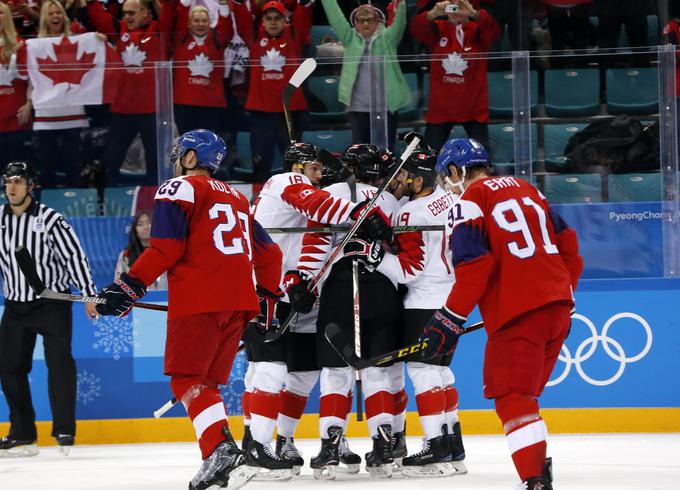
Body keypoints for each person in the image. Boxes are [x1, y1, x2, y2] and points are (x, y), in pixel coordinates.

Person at [94, 128, 283, 490]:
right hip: (239, 304)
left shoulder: (177, 188)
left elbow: (166, 249)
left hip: (200, 300)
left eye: (181, 153)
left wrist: (128, 285)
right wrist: (267, 302)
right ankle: (221, 456)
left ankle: (219, 450)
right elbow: (270, 254)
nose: (177, 160)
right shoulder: (239, 199)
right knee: (205, 383)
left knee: (186, 380)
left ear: (192, 157)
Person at [421, 138, 584, 490]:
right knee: (525, 397)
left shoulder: (469, 202)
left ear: (455, 171)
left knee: (512, 398)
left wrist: (448, 318)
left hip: (518, 315)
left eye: (444, 177)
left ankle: (534, 481)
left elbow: (476, 267)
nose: (446, 185)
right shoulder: (528, 190)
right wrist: (562, 294)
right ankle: (539, 471)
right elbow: (569, 244)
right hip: (558, 311)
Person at [241, 142, 389, 478]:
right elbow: (314, 202)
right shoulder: (284, 182)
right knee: (267, 372)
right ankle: (255, 447)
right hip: (267, 293)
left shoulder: (302, 191)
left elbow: (314, 234)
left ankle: (283, 443)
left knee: (304, 375)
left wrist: (303, 279)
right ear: (298, 166)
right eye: (316, 169)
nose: (321, 176)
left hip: (298, 291)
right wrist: (359, 213)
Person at [291, 144, 401, 479]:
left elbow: (314, 245)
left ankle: (329, 448)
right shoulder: (392, 201)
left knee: (335, 372)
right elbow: (398, 246)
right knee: (377, 371)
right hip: (383, 288)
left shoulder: (329, 193)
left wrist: (303, 283)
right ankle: (384, 446)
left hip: (339, 288)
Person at [360, 147, 467, 477]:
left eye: (406, 176)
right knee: (441, 373)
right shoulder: (448, 199)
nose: (401, 180)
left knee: (423, 373)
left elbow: (408, 271)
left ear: (419, 180)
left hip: (423, 301)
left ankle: (434, 447)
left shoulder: (411, 214)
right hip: (451, 298)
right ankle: (452, 448)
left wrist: (375, 255)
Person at [0, 161, 98, 458]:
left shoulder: (51, 219)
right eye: (7, 181)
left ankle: (64, 429)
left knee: (59, 365)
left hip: (52, 303)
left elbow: (75, 257)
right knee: (8, 368)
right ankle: (23, 434)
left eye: (18, 181)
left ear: (31, 185)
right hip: (15, 306)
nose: (12, 187)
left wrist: (89, 295)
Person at [84, 0, 173, 185]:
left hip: (151, 108)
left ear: (145, 12)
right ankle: (109, 201)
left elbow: (170, 11)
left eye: (131, 13)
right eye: (124, 13)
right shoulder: (119, 28)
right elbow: (99, 16)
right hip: (123, 109)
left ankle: (154, 203)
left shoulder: (158, 29)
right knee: (112, 159)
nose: (127, 17)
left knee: (154, 162)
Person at [232, 0, 313, 182]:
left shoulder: (294, 35)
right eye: (268, 18)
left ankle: (296, 202)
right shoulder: (253, 35)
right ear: (262, 21)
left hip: (289, 113)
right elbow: (240, 15)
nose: (273, 22)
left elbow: (304, 13)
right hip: (261, 113)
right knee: (260, 164)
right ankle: (261, 204)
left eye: (278, 18)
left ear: (286, 20)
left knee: (294, 165)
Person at [410, 0, 500, 152]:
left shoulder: (478, 30)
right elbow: (416, 29)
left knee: (481, 159)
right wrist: (432, 14)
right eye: (453, 7)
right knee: (428, 158)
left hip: (473, 107)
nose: (457, 11)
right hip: (441, 109)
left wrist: (474, 14)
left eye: (462, 7)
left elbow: (494, 32)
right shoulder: (437, 28)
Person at [320, 0, 411, 149]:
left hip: (385, 107)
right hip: (357, 107)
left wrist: (400, 4)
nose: (365, 24)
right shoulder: (349, 38)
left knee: (385, 152)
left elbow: (400, 23)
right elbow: (334, 16)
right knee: (360, 153)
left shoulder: (388, 38)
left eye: (369, 20)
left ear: (378, 21)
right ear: (354, 22)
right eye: (361, 20)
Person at [32, 0, 88, 188]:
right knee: (46, 162)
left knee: (72, 161)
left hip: (72, 110)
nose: (55, 16)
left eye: (58, 13)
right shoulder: (35, 45)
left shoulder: (77, 40)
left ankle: (75, 202)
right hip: (46, 112)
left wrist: (100, 40)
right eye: (51, 13)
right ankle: (46, 205)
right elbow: (30, 77)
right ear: (44, 18)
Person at [165, 0, 234, 135]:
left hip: (210, 104)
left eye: (204, 21)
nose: (201, 24)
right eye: (196, 20)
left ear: (210, 23)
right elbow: (181, 15)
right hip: (184, 103)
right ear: (189, 23)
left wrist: (224, 3)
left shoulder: (217, 40)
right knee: (187, 144)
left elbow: (226, 27)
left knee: (206, 146)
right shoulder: (181, 38)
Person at [0, 1, 31, 169]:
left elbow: (33, 79)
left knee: (15, 171)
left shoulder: (21, 44)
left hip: (15, 116)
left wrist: (29, 103)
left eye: (0, 12)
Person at [114, 211, 168, 290]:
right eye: (140, 224)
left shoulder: (168, 252)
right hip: (139, 300)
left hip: (167, 299)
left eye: (149, 222)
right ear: (135, 230)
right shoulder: (126, 256)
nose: (146, 227)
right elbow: (119, 285)